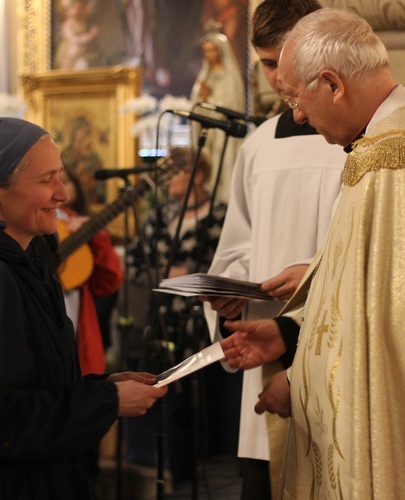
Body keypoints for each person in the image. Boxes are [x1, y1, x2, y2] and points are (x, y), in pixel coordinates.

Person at [219, 8, 405, 498]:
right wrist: (292, 321)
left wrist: (298, 383)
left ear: (332, 84)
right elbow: (370, 283)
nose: (297, 115)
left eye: (299, 98)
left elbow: (392, 324)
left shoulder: (392, 162)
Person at [0, 117, 166, 498]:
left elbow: (31, 385)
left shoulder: (22, 260)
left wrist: (102, 388)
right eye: (46, 180)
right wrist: (105, 403)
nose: (62, 193)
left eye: (60, 176)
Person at [199, 1, 346, 498]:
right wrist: (229, 295)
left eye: (283, 60)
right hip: (266, 349)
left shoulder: (359, 141)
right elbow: (238, 244)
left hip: (338, 353)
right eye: (265, 64)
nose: (278, 78)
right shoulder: (259, 145)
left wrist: (315, 274)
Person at [125, 147, 239, 487]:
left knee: (212, 400)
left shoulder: (221, 215)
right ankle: (181, 480)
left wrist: (183, 272)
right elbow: (134, 263)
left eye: (177, 171)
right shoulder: (160, 217)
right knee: (172, 404)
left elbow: (228, 266)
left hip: (207, 321)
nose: (169, 179)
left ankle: (217, 481)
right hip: (165, 321)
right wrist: (172, 272)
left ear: (199, 176)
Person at [57, 166, 123, 375]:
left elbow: (109, 282)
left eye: (64, 180)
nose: (59, 188)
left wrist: (97, 239)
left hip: (77, 323)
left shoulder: (80, 224)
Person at [189, 29, 246, 203]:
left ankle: (223, 202)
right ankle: (209, 199)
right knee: (210, 168)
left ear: (220, 51)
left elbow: (231, 106)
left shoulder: (229, 77)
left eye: (212, 50)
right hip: (209, 132)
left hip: (223, 132)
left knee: (224, 167)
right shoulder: (205, 75)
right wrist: (202, 97)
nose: (209, 54)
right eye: (206, 51)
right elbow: (197, 105)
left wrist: (209, 98)